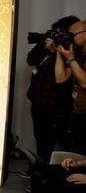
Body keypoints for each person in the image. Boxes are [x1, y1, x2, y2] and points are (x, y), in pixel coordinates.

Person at [26, 15, 80, 162]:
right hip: (37, 100)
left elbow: (62, 79)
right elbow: (30, 59)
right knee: (39, 137)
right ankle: (38, 171)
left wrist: (57, 53)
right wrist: (44, 48)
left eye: (60, 32)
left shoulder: (73, 51)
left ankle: (45, 177)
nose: (56, 35)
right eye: (55, 32)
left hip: (56, 106)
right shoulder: (48, 42)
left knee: (51, 142)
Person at [55, 20, 86, 155]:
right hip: (77, 115)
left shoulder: (75, 57)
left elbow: (85, 83)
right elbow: (60, 78)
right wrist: (59, 55)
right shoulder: (79, 55)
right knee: (70, 155)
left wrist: (71, 59)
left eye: (73, 34)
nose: (70, 37)